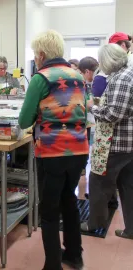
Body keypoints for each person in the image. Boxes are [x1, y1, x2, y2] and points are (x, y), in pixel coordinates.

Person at [19, 30, 89, 270]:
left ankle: (52, 265)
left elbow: (24, 120)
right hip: (79, 149)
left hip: (52, 152)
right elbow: (84, 112)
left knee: (48, 212)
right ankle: (74, 255)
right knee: (69, 200)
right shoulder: (78, 76)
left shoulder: (41, 78)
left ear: (41, 54)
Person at [81, 44, 133, 240]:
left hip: (117, 142)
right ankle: (131, 228)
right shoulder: (128, 73)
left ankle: (94, 223)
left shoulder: (122, 78)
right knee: (128, 185)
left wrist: (92, 108)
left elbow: (114, 114)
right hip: (128, 142)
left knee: (98, 181)